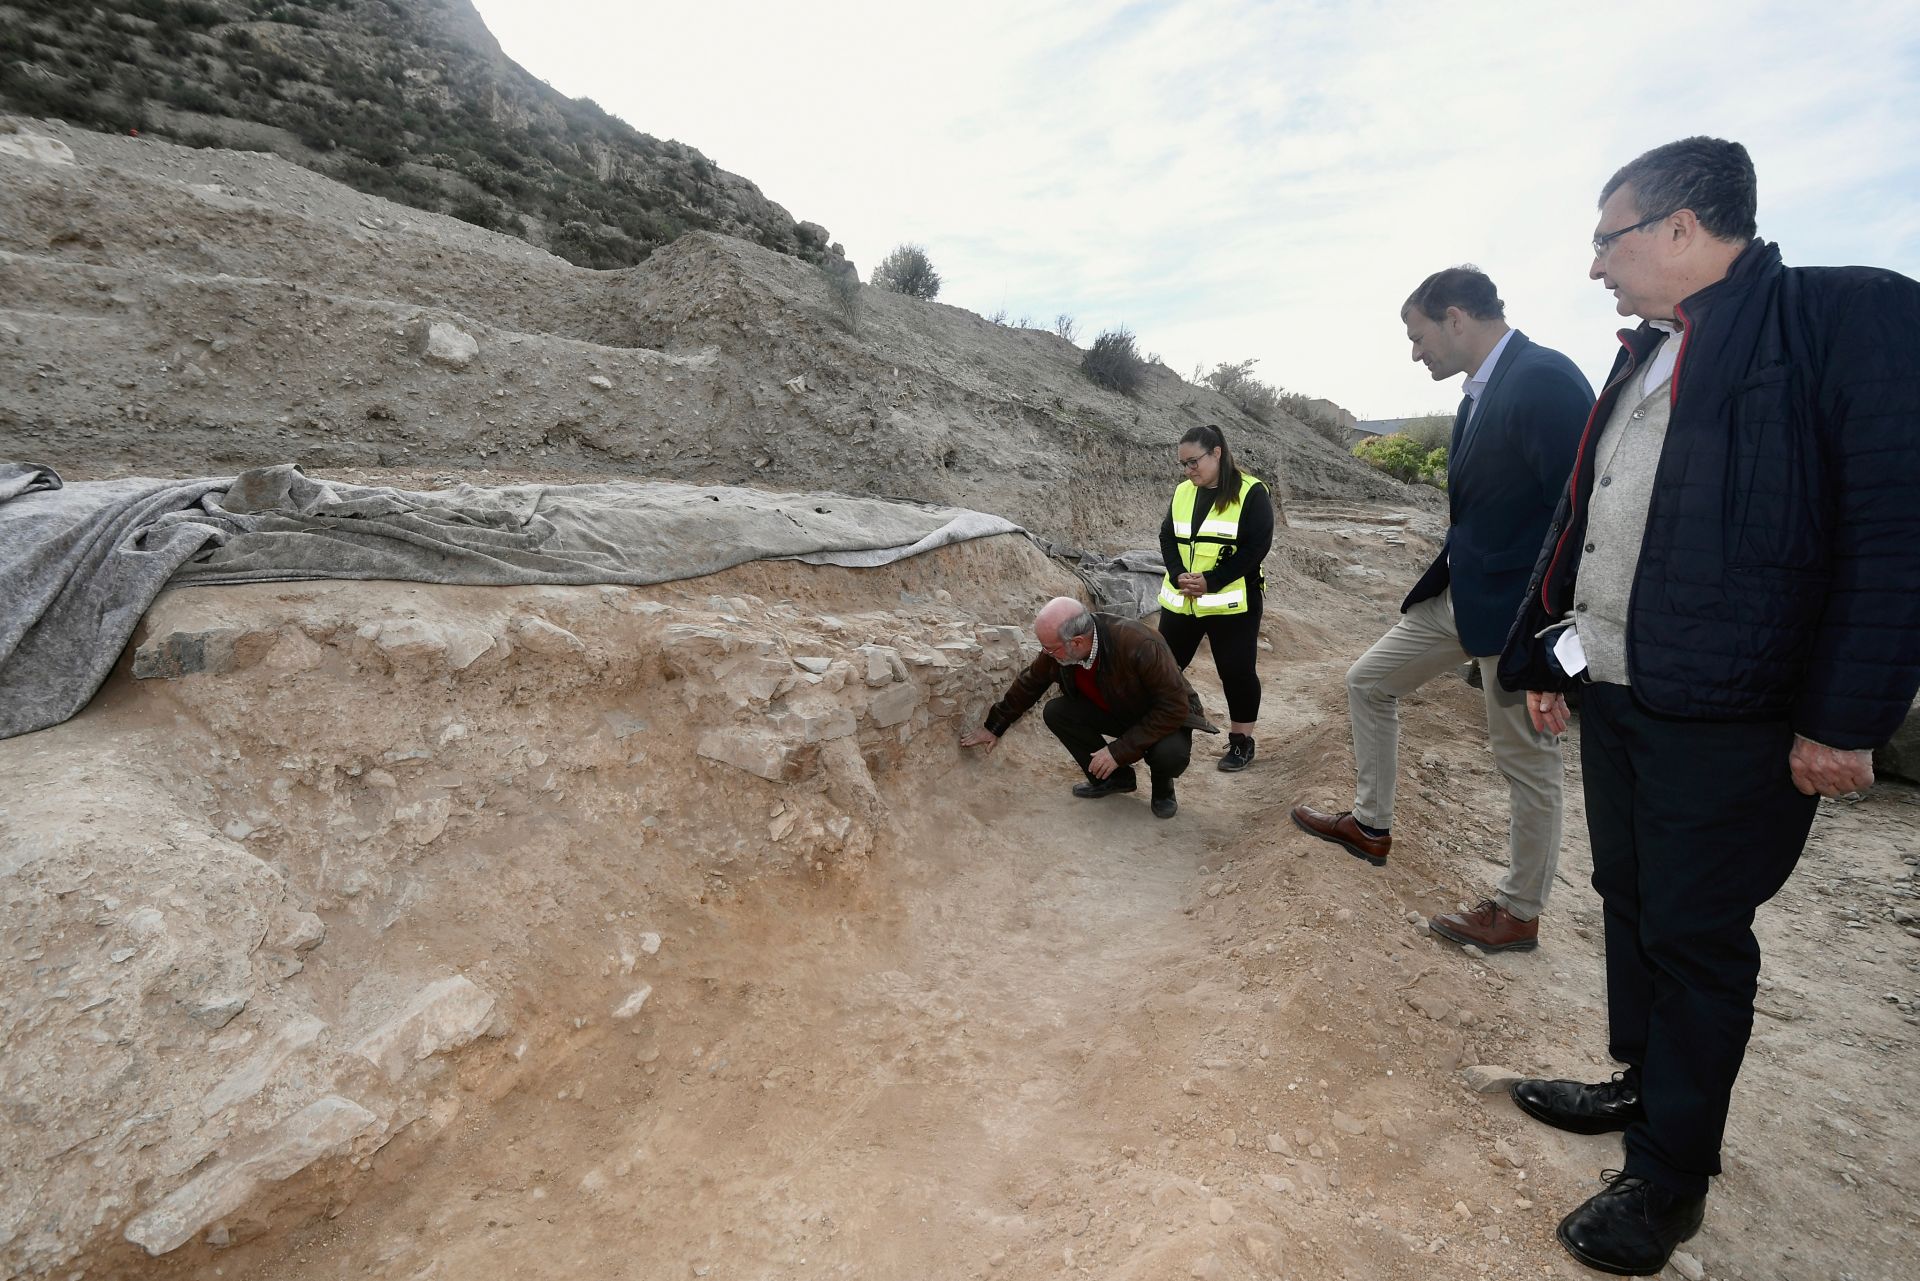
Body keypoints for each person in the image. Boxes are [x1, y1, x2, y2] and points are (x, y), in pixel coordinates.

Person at [1499, 137, 1920, 1277]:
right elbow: (1586, 520)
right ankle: (1642, 1082)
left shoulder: (1849, 318)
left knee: (1697, 936)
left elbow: (1895, 535)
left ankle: (1669, 1177)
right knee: (1630, 896)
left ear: (1681, 227)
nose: (1595, 264)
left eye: (1607, 237)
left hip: (1733, 715)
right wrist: (1545, 658)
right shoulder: (1642, 355)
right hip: (1625, 694)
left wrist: (1847, 718)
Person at [1290, 267, 1592, 953]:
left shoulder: (1543, 379)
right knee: (1368, 681)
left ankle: (1518, 912)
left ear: (1455, 318)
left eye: (1417, 335)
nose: (1415, 351)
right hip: (1461, 596)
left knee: (1527, 761)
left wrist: (1554, 632)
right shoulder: (1477, 395)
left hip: (1518, 612)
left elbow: (1580, 511)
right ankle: (1370, 825)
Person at [960, 597, 1216, 818]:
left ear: (1078, 643)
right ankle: (1115, 779)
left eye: (1050, 649)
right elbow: (1031, 683)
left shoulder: (1140, 644)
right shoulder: (1061, 648)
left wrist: (1118, 751)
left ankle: (1163, 788)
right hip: (1117, 709)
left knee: (1169, 755)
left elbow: (1173, 707)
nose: (1046, 654)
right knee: (1056, 712)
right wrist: (994, 726)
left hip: (1163, 715)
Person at [1156, 424, 1274, 772]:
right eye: (1183, 464)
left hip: (1232, 603)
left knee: (1236, 672)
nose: (1188, 470)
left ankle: (1241, 743)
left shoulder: (1251, 492)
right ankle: (1159, 727)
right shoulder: (1182, 493)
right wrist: (1179, 573)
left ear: (1217, 453)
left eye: (1194, 462)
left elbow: (1256, 548)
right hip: (1184, 600)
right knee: (1163, 668)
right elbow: (1167, 536)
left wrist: (1213, 581)